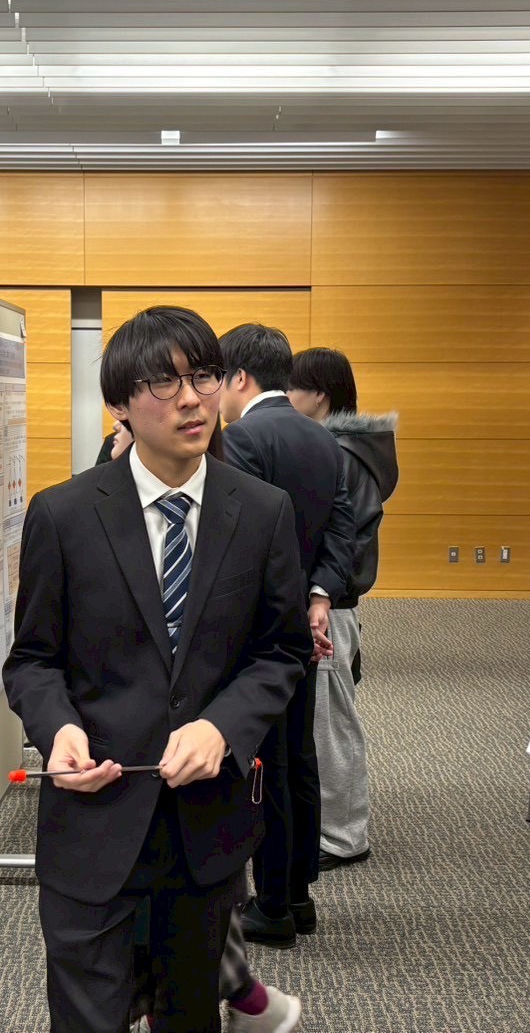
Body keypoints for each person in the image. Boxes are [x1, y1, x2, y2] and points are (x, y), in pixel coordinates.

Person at [3, 306, 312, 1032]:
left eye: (204, 377)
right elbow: (33, 661)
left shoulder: (261, 512)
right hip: (93, 817)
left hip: (205, 828)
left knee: (189, 1017)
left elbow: (282, 649)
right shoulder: (63, 515)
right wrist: (58, 732)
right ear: (119, 404)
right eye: (164, 384)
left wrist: (222, 726)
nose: (191, 400)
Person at [215, 323, 355, 948]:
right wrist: (318, 599)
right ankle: (299, 896)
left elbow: (247, 542)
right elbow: (343, 529)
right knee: (300, 756)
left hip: (263, 630)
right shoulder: (322, 438)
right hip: (304, 623)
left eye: (214, 380)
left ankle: (271, 905)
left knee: (266, 763)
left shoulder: (241, 439)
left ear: (239, 378)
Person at [287, 347, 398, 870]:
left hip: (330, 606)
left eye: (293, 387)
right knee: (324, 719)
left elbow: (342, 542)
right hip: (331, 603)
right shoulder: (343, 448)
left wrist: (320, 596)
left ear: (319, 396)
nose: (286, 396)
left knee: (331, 724)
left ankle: (344, 837)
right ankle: (330, 825)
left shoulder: (343, 455)